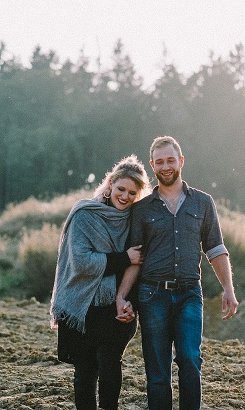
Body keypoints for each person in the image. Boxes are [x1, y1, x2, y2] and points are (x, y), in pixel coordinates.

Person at [115, 136, 238, 410]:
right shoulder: (141, 208)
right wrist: (122, 296)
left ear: (181, 161)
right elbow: (135, 258)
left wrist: (228, 289)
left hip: (189, 295)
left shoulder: (203, 203)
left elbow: (216, 248)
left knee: (190, 359)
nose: (166, 166)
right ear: (152, 166)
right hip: (151, 295)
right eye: (160, 162)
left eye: (171, 160)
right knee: (157, 370)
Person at [50, 154, 151, 410]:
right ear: (110, 184)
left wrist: (127, 299)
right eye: (121, 189)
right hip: (82, 304)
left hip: (114, 304)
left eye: (132, 192)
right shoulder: (85, 214)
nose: (125, 197)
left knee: (109, 366)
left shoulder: (134, 220)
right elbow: (82, 261)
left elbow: (139, 262)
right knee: (84, 374)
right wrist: (123, 257)